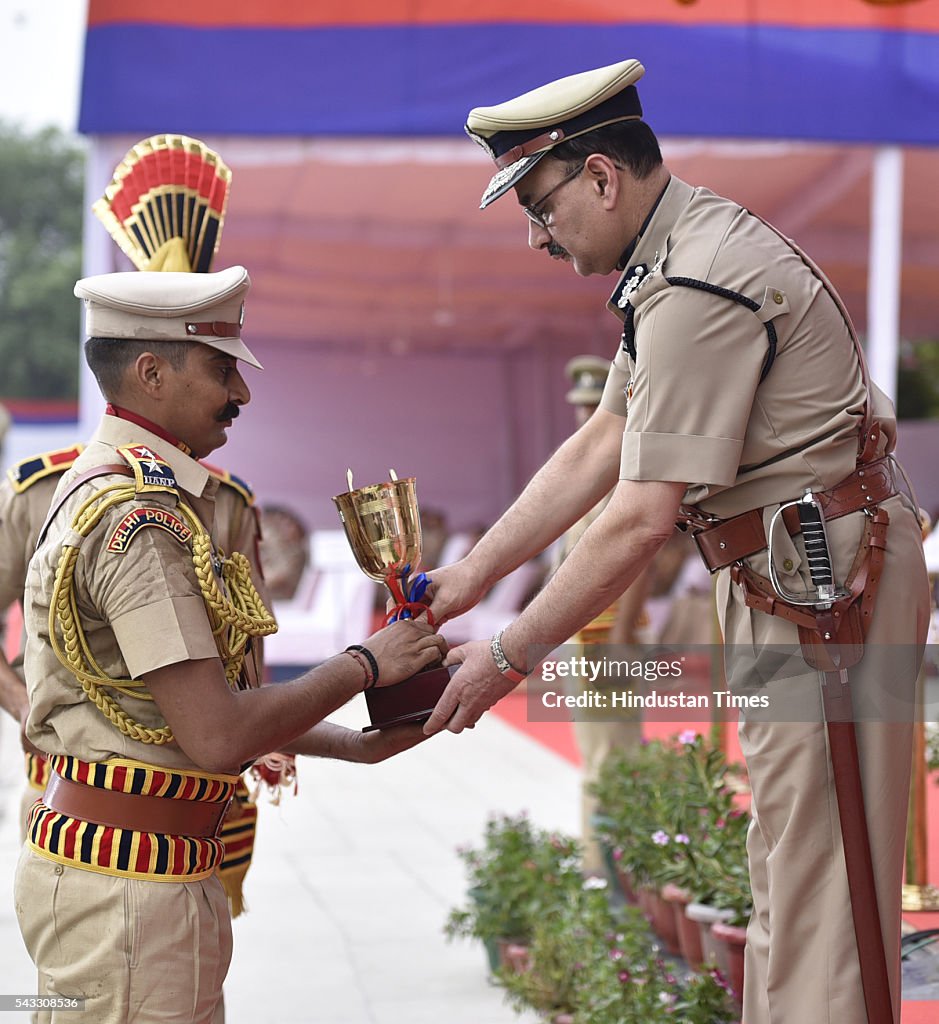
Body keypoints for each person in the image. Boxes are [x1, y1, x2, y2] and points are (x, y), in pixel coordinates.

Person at [423, 59, 929, 1024]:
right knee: (790, 855)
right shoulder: (671, 259)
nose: (534, 235)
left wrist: (504, 655)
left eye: (538, 203)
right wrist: (470, 574)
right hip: (797, 570)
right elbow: (601, 443)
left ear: (602, 177)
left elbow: (637, 513)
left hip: (826, 583)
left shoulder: (697, 279)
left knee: (825, 877)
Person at [16, 265, 446, 1023]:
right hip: (131, 890)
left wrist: (351, 744)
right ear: (151, 373)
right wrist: (366, 666)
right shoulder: (136, 522)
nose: (241, 394)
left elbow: (189, 712)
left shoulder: (129, 496)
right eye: (222, 369)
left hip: (145, 872)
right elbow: (216, 735)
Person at [552, 356, 643, 877]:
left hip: (605, 636)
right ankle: (611, 869)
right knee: (607, 757)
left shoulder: (624, 467)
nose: (588, 416)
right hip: (590, 634)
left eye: (598, 405)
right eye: (584, 407)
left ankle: (608, 872)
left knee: (612, 759)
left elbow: (640, 561)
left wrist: (623, 637)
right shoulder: (600, 467)